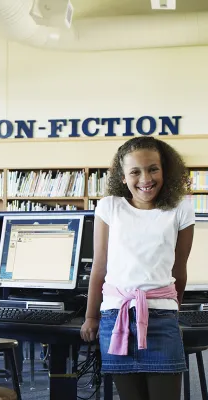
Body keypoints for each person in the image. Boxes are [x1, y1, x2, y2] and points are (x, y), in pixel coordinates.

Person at [80, 136, 195, 400]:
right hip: (115, 317)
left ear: (165, 169)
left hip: (161, 318)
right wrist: (91, 317)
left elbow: (180, 270)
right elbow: (100, 266)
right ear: (122, 177)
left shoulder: (180, 209)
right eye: (135, 171)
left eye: (153, 168)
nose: (145, 178)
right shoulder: (109, 207)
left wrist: (174, 311)